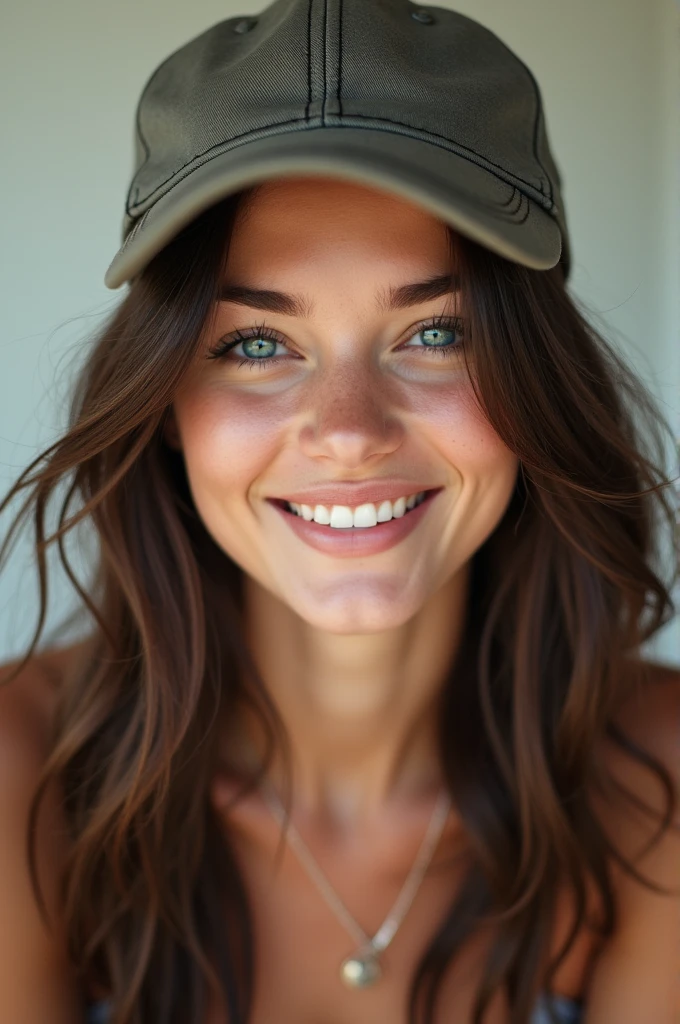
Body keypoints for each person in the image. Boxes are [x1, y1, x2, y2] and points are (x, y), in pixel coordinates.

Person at [0, 3, 679, 1024]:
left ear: (535, 380)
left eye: (435, 333)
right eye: (257, 344)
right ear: (167, 404)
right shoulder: (22, 778)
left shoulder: (657, 781)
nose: (349, 431)